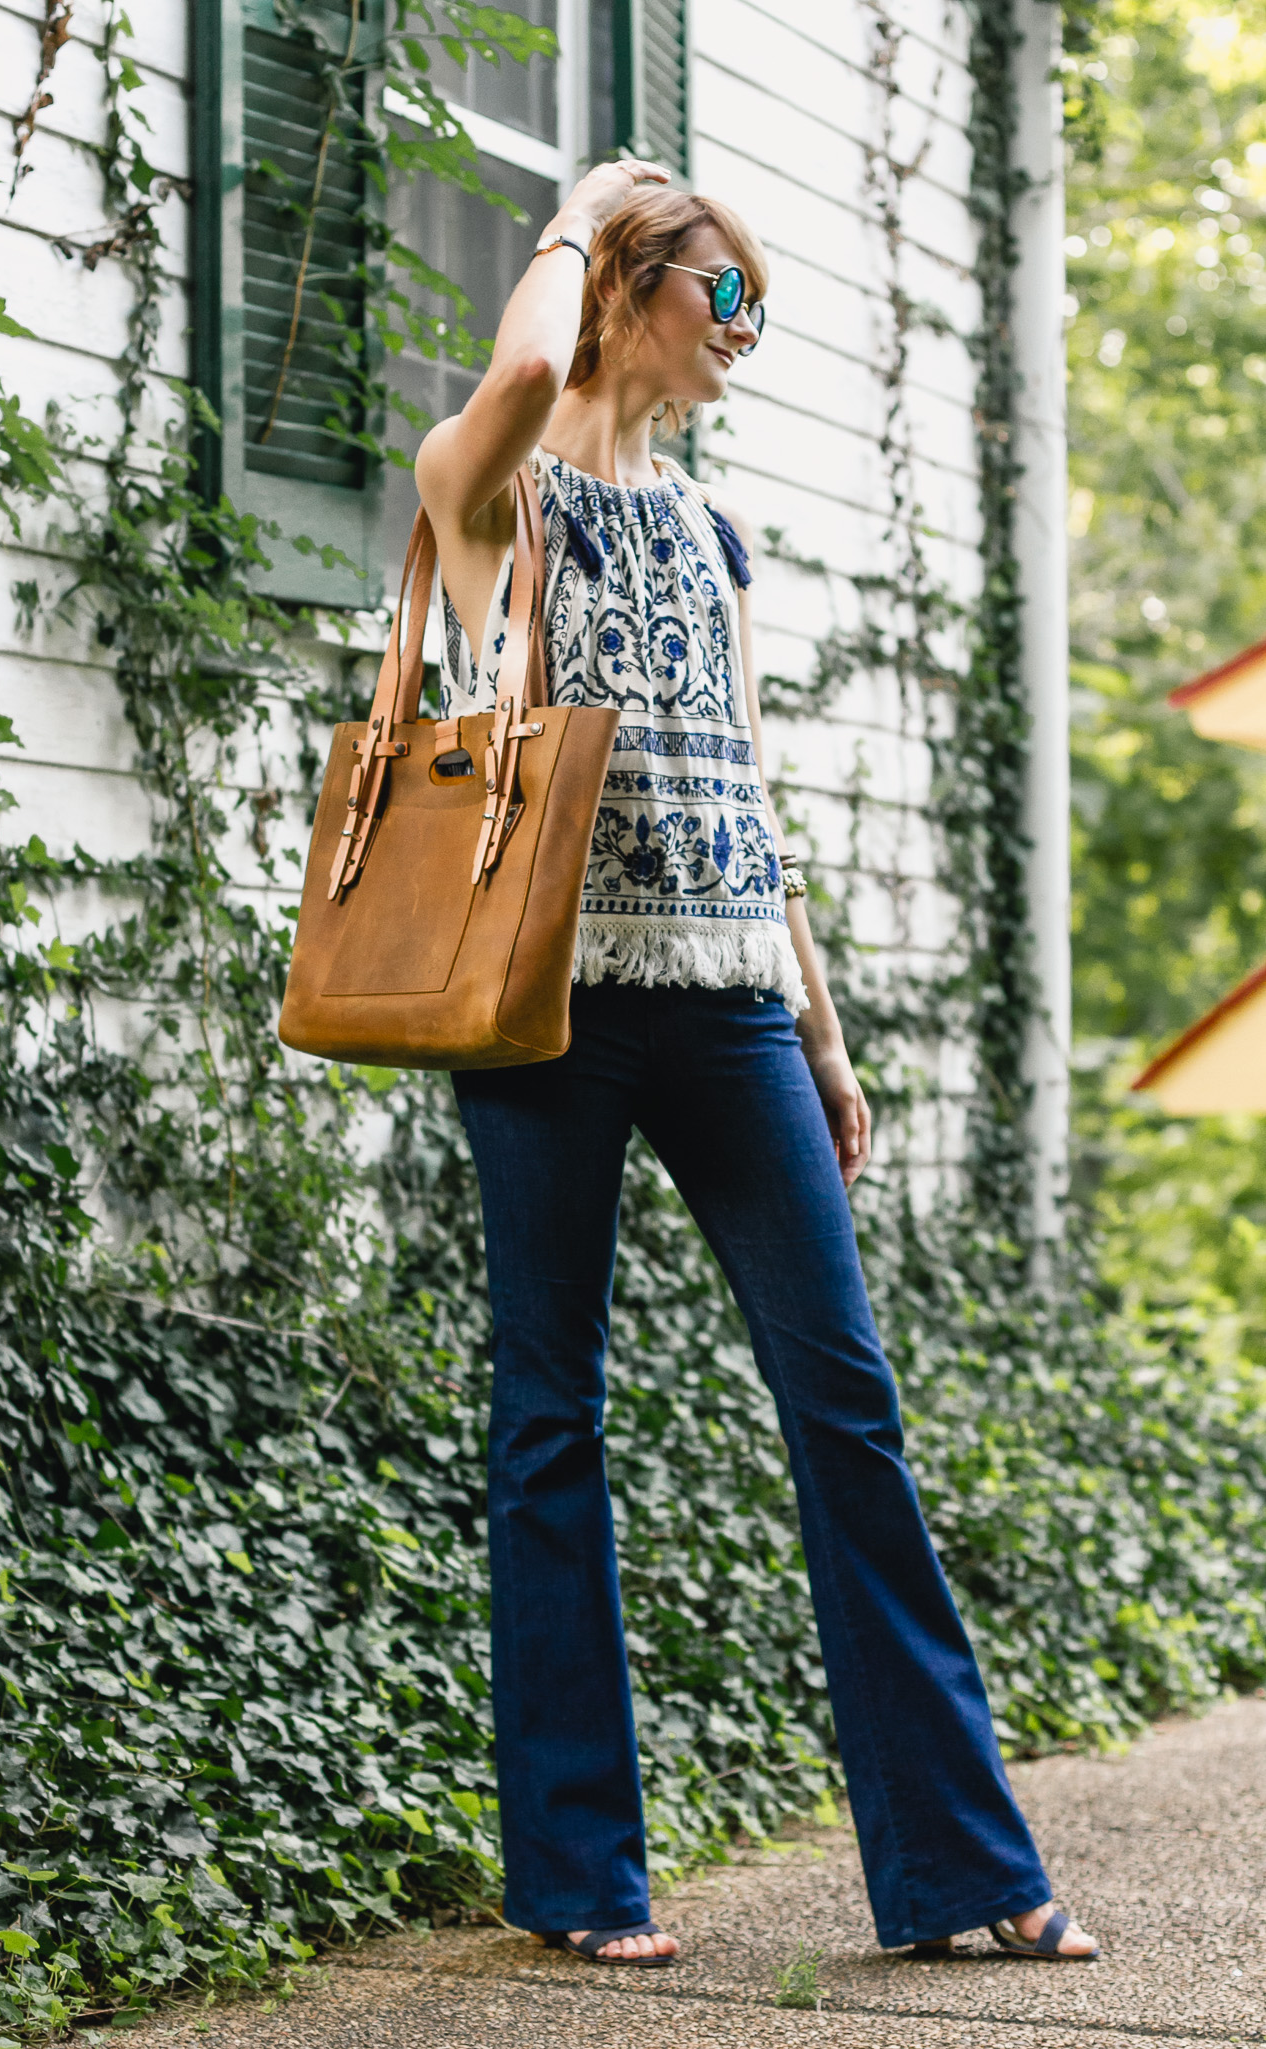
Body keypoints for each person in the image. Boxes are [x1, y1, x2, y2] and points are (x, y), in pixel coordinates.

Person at [414, 160, 1098, 1969]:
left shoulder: (712, 534)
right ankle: (579, 1878)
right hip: (547, 1006)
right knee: (550, 1414)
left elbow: (750, 794)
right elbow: (502, 395)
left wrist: (820, 1016)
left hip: (729, 1005)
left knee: (844, 1398)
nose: (746, 335)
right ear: (629, 284)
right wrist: (568, 205)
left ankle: (960, 1861)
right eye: (726, 300)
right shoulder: (498, 498)